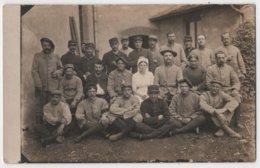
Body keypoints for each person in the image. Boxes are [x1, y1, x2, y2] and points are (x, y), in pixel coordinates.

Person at [206, 50, 242, 128]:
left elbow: (236, 82)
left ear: (225, 58)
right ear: (215, 59)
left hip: (228, 90)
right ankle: (223, 123)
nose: (221, 60)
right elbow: (208, 84)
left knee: (237, 97)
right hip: (215, 91)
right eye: (219, 58)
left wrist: (235, 89)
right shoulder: (211, 69)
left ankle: (237, 121)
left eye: (223, 58)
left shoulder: (230, 69)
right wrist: (217, 91)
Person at [32, 37, 63, 123]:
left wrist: (57, 72)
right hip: (41, 86)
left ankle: (52, 124)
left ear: (51, 46)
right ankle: (40, 126)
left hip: (53, 86)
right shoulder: (37, 56)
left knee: (52, 104)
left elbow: (61, 68)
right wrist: (38, 84)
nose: (46, 47)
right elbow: (34, 71)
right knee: (40, 105)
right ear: (42, 46)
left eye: (48, 45)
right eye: (44, 45)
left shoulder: (56, 57)